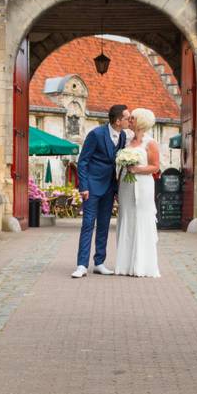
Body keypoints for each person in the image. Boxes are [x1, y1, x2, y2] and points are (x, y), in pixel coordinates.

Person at [72, 104, 129, 279]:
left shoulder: (123, 135)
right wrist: (84, 187)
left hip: (110, 187)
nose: (129, 120)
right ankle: (82, 265)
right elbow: (83, 161)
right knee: (88, 224)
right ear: (118, 120)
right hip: (92, 187)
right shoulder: (96, 134)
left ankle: (99, 263)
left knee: (104, 225)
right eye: (127, 117)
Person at [114, 108, 161, 278]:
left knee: (141, 220)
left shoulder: (151, 143)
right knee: (126, 218)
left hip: (143, 185)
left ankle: (142, 265)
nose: (130, 120)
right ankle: (125, 265)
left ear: (141, 121)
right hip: (126, 185)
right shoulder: (126, 140)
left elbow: (155, 167)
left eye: (133, 118)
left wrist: (137, 169)